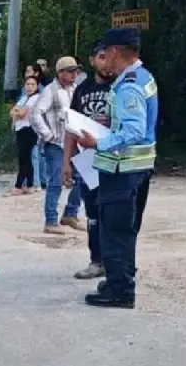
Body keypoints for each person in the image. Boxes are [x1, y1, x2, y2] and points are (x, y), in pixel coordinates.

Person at [75, 27, 158, 309]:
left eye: (105, 53)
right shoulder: (142, 77)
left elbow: (134, 130)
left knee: (114, 229)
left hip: (123, 170)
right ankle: (118, 279)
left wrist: (98, 142)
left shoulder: (129, 86)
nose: (104, 59)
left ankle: (120, 290)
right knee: (126, 228)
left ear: (114, 52)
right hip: (138, 167)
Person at [63, 41, 115, 279]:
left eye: (109, 57)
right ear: (93, 60)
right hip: (89, 160)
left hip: (116, 158)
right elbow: (72, 128)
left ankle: (117, 263)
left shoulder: (121, 86)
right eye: (101, 57)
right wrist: (67, 162)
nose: (106, 62)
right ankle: (96, 260)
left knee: (115, 213)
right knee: (92, 212)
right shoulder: (83, 90)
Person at [31, 55, 81, 234]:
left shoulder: (76, 89)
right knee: (56, 180)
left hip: (75, 142)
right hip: (56, 144)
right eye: (70, 71)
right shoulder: (50, 91)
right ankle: (50, 220)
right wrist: (48, 135)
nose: (74, 74)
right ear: (61, 73)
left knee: (82, 178)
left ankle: (70, 213)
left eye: (76, 70)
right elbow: (36, 114)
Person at [7, 76, 41, 196]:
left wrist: (17, 112)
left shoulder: (36, 98)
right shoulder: (23, 98)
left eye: (32, 84)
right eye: (27, 84)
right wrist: (17, 112)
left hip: (29, 129)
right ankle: (30, 185)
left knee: (24, 158)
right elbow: (12, 112)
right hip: (20, 129)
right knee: (27, 158)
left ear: (37, 86)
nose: (29, 87)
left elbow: (20, 113)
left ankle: (18, 186)